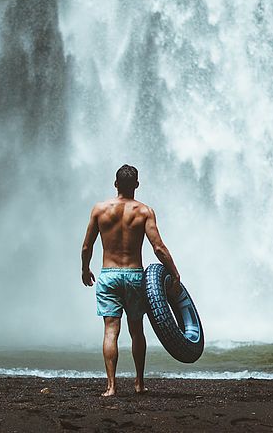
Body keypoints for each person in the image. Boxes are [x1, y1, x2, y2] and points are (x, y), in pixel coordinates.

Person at [81, 164, 181, 397]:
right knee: (137, 330)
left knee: (110, 330)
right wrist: (174, 273)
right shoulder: (144, 212)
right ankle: (139, 383)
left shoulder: (99, 209)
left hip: (109, 275)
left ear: (115, 184)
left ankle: (111, 386)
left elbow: (87, 245)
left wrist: (85, 269)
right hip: (135, 275)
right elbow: (158, 247)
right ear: (136, 185)